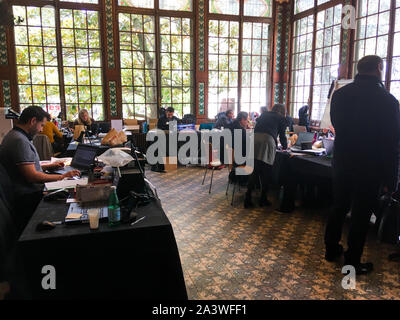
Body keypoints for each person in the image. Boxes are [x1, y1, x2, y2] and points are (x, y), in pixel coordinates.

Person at [324, 55, 400, 275]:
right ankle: (352, 262)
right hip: (370, 167)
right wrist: (391, 178)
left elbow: (338, 126)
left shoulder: (339, 95)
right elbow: (392, 144)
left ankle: (330, 250)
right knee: (360, 215)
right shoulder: (388, 101)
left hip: (342, 162)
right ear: (378, 68)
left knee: (338, 207)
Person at [0, 106, 80, 235]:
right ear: (32, 121)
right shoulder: (19, 141)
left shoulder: (14, 135)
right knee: (69, 202)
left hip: (22, 193)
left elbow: (24, 168)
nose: (41, 129)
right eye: (41, 125)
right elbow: (32, 176)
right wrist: (63, 177)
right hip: (27, 197)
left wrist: (49, 167)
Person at [244, 104, 288, 208]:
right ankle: (263, 199)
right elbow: (282, 135)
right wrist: (285, 147)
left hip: (254, 139)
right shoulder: (281, 118)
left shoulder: (263, 115)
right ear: (282, 111)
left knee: (254, 170)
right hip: (267, 141)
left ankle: (248, 198)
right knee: (266, 171)